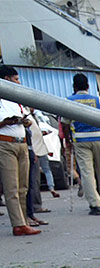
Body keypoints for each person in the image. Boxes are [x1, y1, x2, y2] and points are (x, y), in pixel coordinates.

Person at [67, 73, 100, 215]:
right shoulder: (97, 100)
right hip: (99, 138)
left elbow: (64, 123)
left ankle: (95, 204)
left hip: (81, 140)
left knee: (87, 173)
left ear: (74, 86)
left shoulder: (69, 101)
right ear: (88, 86)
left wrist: (67, 141)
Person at [0, 66, 38, 235]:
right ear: (7, 79)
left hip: (22, 142)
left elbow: (29, 119)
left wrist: (24, 121)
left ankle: (24, 219)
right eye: (15, 79)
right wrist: (6, 122)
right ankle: (18, 223)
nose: (19, 82)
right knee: (11, 186)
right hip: (5, 143)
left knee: (23, 185)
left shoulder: (17, 100)